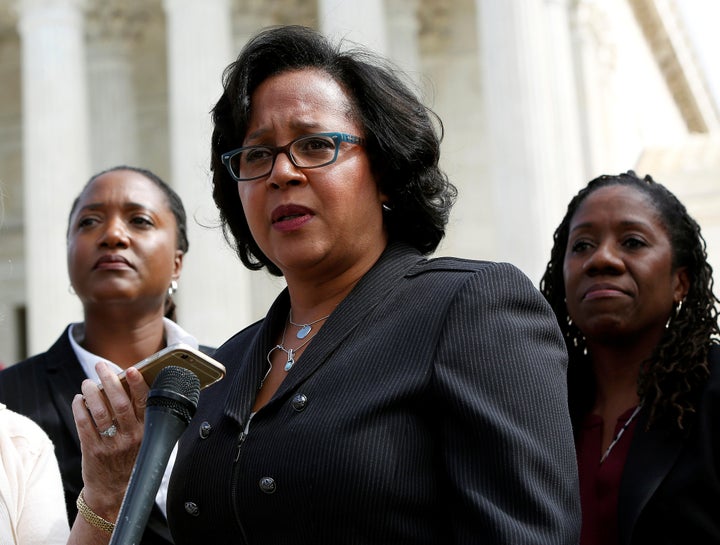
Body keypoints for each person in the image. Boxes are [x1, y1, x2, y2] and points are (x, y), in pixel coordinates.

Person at [158, 25, 580, 544]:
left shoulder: (471, 309)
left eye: (315, 145)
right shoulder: (225, 366)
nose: (281, 173)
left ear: (383, 170)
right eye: (256, 155)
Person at [0, 165, 203, 545]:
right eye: (89, 222)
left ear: (178, 261)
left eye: (139, 220)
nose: (112, 235)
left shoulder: (242, 377)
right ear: (68, 256)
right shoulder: (8, 402)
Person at [539, 171, 720, 544]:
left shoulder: (714, 391)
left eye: (633, 242)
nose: (601, 259)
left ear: (679, 282)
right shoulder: (539, 401)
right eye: (582, 245)